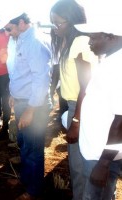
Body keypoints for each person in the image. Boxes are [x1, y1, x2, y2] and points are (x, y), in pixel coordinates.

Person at [0, 11, 51, 199]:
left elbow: (41, 79)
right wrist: (14, 94)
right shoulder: (19, 39)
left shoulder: (34, 42)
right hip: (22, 102)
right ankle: (26, 180)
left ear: (21, 23)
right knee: (25, 145)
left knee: (33, 148)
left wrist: (30, 109)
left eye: (8, 29)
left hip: (34, 105)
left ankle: (34, 189)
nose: (7, 33)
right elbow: (18, 71)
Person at [74, 2, 122, 199]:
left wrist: (103, 163)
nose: (89, 43)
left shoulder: (117, 68)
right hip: (97, 151)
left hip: (101, 156)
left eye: (93, 37)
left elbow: (120, 121)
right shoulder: (109, 60)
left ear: (111, 37)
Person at [50, 1, 97, 199]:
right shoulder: (70, 42)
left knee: (81, 166)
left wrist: (76, 121)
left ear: (71, 22)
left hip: (82, 107)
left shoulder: (80, 42)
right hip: (75, 106)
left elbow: (86, 86)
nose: (55, 28)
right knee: (77, 165)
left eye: (58, 23)